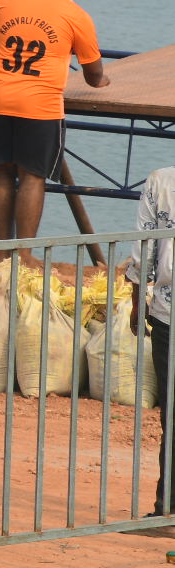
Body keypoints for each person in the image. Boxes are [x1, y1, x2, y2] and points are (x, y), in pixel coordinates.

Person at [0, 0, 108, 245]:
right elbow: (93, 76)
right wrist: (104, 80)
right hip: (39, 106)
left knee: (0, 173)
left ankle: (1, 252)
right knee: (32, 176)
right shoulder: (76, 14)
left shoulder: (5, 0)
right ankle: (24, 255)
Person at [129, 167, 175, 524]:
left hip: (167, 313)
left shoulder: (161, 180)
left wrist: (136, 301)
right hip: (166, 313)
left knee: (172, 416)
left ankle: (167, 508)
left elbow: (144, 246)